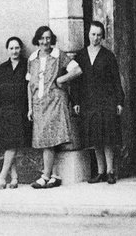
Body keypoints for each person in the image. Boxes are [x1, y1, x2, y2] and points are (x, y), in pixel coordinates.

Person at [27, 26, 82, 189]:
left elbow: (77, 70)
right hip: (39, 103)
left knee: (49, 140)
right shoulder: (32, 58)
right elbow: (30, 84)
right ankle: (54, 175)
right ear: (37, 40)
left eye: (48, 38)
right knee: (46, 139)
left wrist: (61, 79)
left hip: (55, 101)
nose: (45, 41)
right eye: (42, 38)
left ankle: (46, 175)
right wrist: (30, 106)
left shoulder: (58, 55)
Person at [73, 21, 124, 184]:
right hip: (89, 101)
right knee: (95, 138)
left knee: (108, 136)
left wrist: (119, 101)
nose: (95, 38)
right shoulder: (80, 56)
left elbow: (116, 80)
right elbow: (75, 81)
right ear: (88, 34)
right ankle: (100, 171)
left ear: (102, 37)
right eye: (93, 34)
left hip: (107, 101)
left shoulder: (108, 56)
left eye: (99, 35)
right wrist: (76, 101)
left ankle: (110, 171)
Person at [0, 36, 31, 189]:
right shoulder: (2, 68)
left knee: (12, 145)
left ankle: (2, 176)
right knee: (9, 144)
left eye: (17, 48)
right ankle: (14, 178)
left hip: (20, 110)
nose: (14, 51)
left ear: (21, 49)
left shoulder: (27, 65)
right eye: (11, 48)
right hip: (5, 111)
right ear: (7, 50)